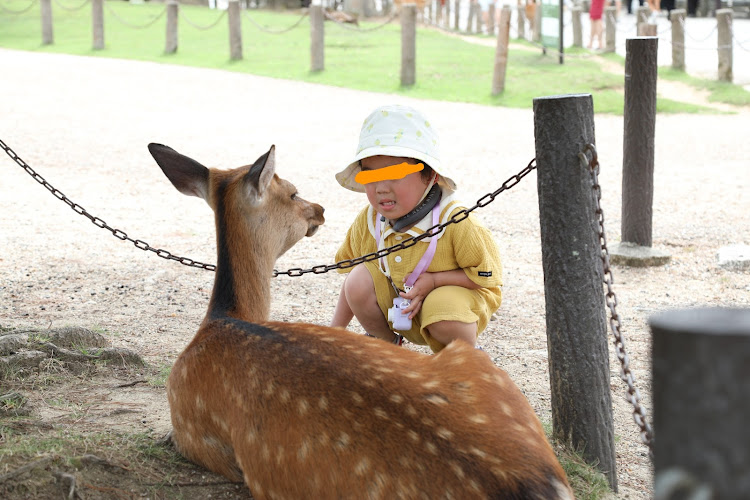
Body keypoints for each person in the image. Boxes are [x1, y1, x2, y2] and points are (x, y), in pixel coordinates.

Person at [330, 104, 503, 353]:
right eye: (370, 177)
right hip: (401, 303)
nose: (381, 188)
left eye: (395, 175)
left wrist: (435, 280)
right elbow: (351, 276)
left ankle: (460, 357)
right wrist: (334, 333)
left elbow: (487, 279)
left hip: (452, 303)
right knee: (358, 279)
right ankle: (388, 345)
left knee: (442, 308)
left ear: (430, 175)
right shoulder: (370, 220)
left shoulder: (455, 220)